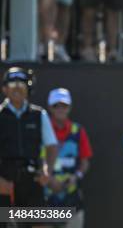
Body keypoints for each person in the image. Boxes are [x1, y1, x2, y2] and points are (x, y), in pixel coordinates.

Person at [0, 67, 58, 224]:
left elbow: (51, 146)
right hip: (5, 182)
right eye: (13, 85)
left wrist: (48, 170)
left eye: (22, 85)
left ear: (28, 89)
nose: (17, 89)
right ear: (4, 89)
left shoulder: (39, 115)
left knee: (39, 223)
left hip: (33, 181)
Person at [46, 88, 93, 228]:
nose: (60, 109)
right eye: (56, 106)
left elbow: (85, 162)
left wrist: (76, 176)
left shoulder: (78, 131)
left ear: (69, 107)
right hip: (46, 200)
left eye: (64, 106)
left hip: (72, 199)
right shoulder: (42, 129)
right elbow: (37, 160)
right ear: (50, 108)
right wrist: (49, 180)